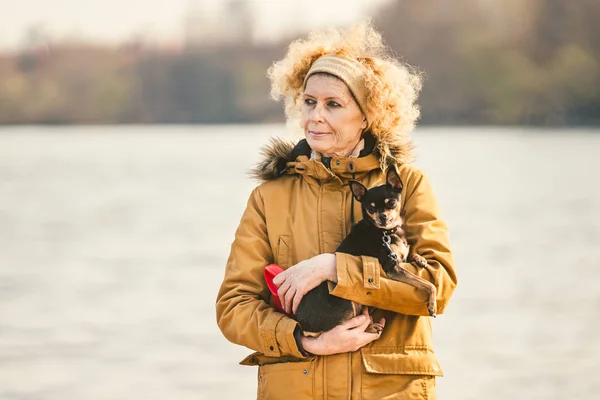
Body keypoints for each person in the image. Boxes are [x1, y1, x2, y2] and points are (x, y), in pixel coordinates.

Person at [216, 21, 457, 399]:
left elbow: (438, 287)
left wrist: (335, 268)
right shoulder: (269, 197)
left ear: (368, 115)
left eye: (333, 104)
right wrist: (306, 340)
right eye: (309, 102)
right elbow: (233, 307)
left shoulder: (406, 185)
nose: (315, 116)